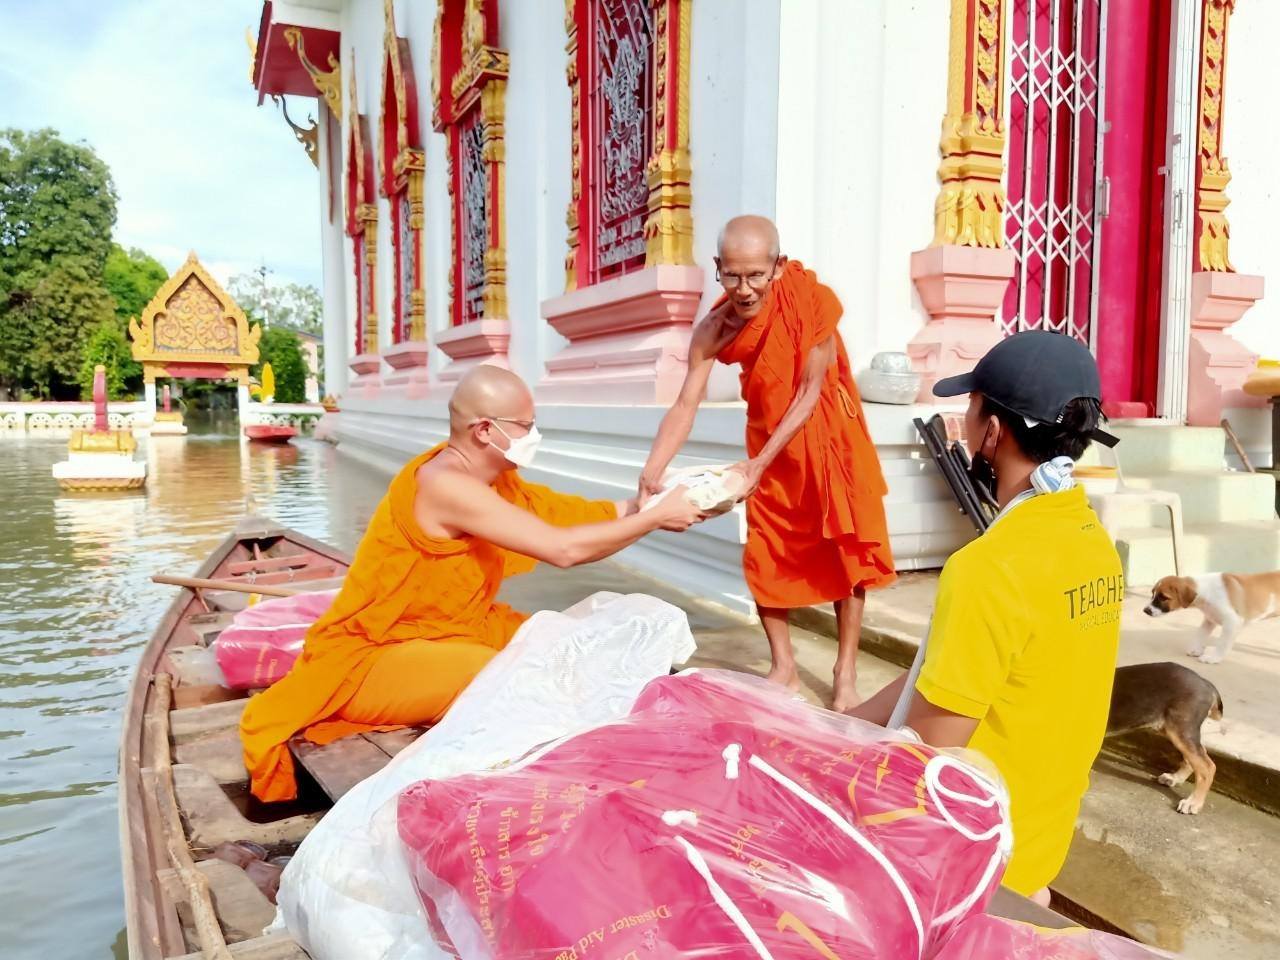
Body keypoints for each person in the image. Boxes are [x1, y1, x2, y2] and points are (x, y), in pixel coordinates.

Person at [241, 365, 709, 803]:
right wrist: (656, 520)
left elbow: (568, 517)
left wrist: (648, 506)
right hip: (375, 655)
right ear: (485, 430)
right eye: (525, 426)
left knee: (571, 645)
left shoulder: (492, 481)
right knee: (508, 676)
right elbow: (563, 550)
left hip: (452, 631)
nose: (534, 436)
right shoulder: (446, 485)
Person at [848, 330, 1124, 905]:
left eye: (970, 409)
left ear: (993, 432)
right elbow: (956, 672)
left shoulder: (989, 567)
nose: (965, 423)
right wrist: (845, 727)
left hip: (976, 864)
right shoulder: (1090, 540)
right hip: (1039, 840)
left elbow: (932, 754)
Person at [638, 215, 894, 712]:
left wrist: (757, 465)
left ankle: (845, 672)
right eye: (732, 275)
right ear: (717, 268)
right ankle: (784, 666)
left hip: (828, 436)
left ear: (777, 267)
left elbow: (808, 393)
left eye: (756, 275)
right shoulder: (712, 330)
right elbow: (686, 403)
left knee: (846, 547)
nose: (745, 288)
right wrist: (654, 468)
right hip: (766, 440)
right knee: (764, 549)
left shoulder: (810, 301)